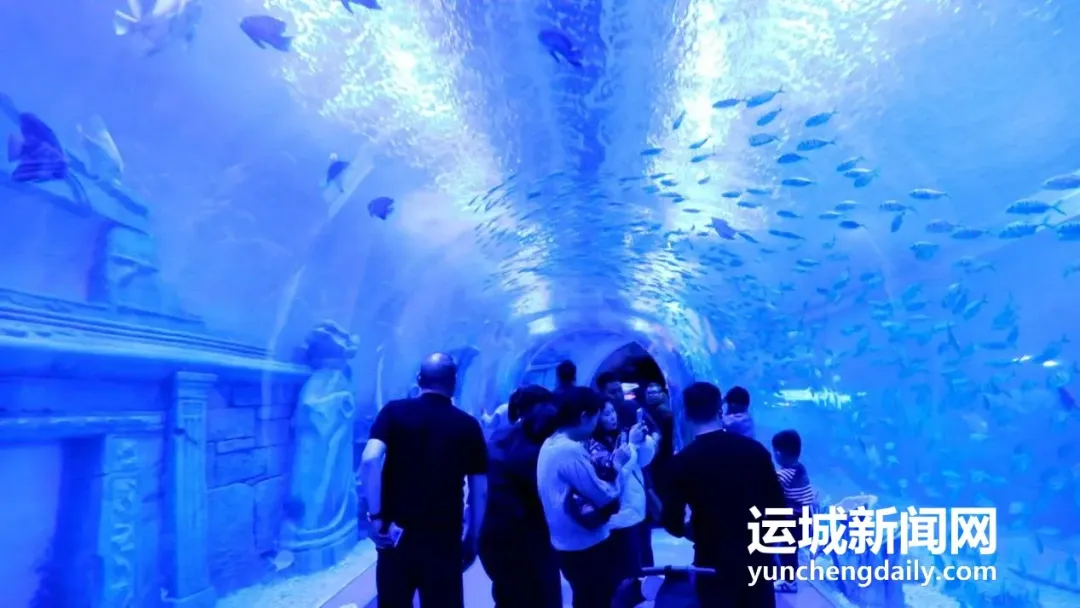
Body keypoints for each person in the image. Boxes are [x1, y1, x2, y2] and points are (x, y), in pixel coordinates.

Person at [361, 353, 488, 608]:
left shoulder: (393, 412)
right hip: (443, 541)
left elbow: (370, 459)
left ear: (419, 379)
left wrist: (376, 518)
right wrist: (473, 536)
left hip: (395, 536)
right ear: (454, 383)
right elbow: (480, 490)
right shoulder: (468, 426)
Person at [662, 382, 786, 608]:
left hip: (712, 561)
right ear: (720, 409)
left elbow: (672, 522)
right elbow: (778, 506)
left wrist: (697, 533)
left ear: (686, 415)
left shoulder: (683, 462)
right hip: (756, 559)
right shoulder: (755, 451)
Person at [537, 386, 632, 608]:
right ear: (584, 417)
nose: (595, 426)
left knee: (585, 598)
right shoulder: (568, 450)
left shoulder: (550, 443)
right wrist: (618, 464)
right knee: (597, 599)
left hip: (565, 543)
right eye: (595, 419)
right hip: (586, 545)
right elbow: (604, 495)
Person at [479, 386, 563, 607]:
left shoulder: (497, 439)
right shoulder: (530, 449)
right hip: (525, 539)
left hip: (493, 536)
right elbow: (547, 494)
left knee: (508, 597)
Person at [587, 400, 656, 601]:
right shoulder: (594, 445)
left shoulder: (622, 434)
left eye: (613, 412)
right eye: (606, 414)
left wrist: (643, 442)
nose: (612, 417)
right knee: (626, 575)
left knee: (644, 569)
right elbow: (616, 476)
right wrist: (632, 445)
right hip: (619, 518)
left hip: (637, 510)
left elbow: (643, 461)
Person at [772, 429, 817, 593]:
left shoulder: (784, 475)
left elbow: (772, 491)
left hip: (794, 520)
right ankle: (788, 576)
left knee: (787, 550)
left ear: (779, 453)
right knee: (791, 550)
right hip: (805, 517)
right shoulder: (800, 468)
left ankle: (789, 582)